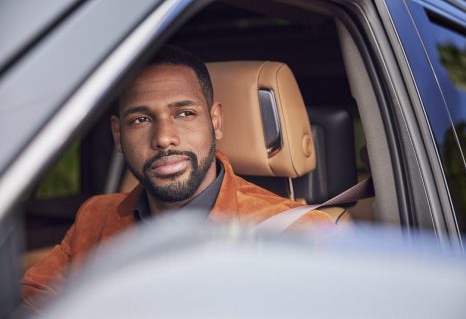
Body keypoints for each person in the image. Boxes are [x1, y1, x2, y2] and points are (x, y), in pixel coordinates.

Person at [21, 46, 335, 310]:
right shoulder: (96, 216)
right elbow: (32, 304)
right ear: (118, 136)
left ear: (216, 122)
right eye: (141, 119)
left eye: (184, 113)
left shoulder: (298, 234)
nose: (164, 137)